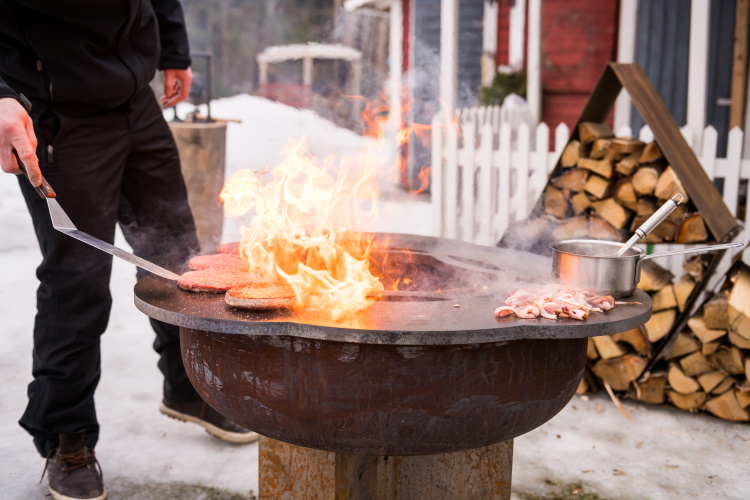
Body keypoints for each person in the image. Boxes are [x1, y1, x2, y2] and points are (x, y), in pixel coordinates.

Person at [0, 2, 256, 499]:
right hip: (55, 114)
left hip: (135, 103)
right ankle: (66, 435)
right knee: (78, 281)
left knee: (179, 258)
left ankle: (188, 387)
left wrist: (174, 51)